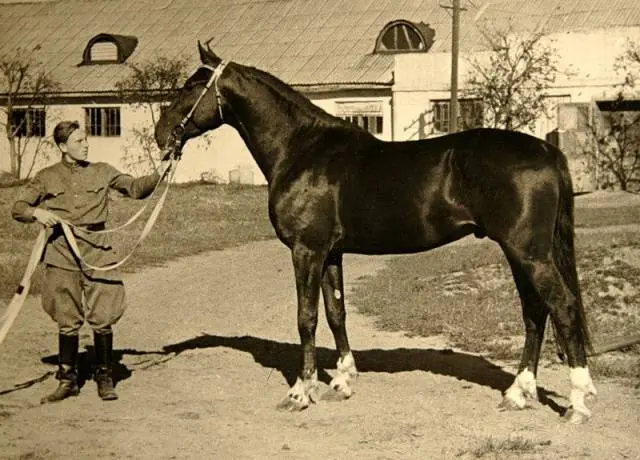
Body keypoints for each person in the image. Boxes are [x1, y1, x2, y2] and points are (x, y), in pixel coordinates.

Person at [11, 120, 170, 403]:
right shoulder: (46, 176)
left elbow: (135, 188)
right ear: (62, 147)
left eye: (86, 140)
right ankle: (67, 378)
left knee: (104, 316)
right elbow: (19, 207)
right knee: (66, 319)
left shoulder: (102, 171)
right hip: (61, 254)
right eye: (78, 141)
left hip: (97, 253)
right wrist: (37, 214)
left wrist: (162, 171)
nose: (85, 145)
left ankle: (104, 376)